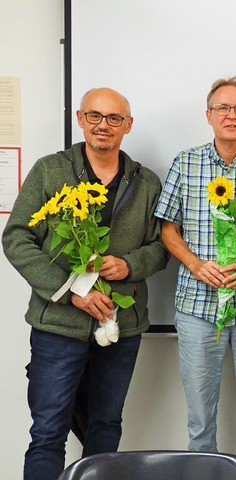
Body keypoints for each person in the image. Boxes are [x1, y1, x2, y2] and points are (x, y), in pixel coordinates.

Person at [2, 87, 169, 480]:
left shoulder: (145, 181)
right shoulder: (50, 170)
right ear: (80, 118)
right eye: (95, 116)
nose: (103, 126)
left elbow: (162, 247)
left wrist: (129, 265)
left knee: (106, 426)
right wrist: (71, 290)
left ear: (128, 126)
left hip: (120, 326)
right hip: (58, 325)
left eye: (114, 118)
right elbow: (16, 237)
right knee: (48, 432)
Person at [154, 76, 236, 480]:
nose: (232, 116)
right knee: (200, 421)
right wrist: (196, 265)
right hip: (197, 307)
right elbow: (167, 229)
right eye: (223, 108)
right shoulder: (186, 162)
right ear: (209, 114)